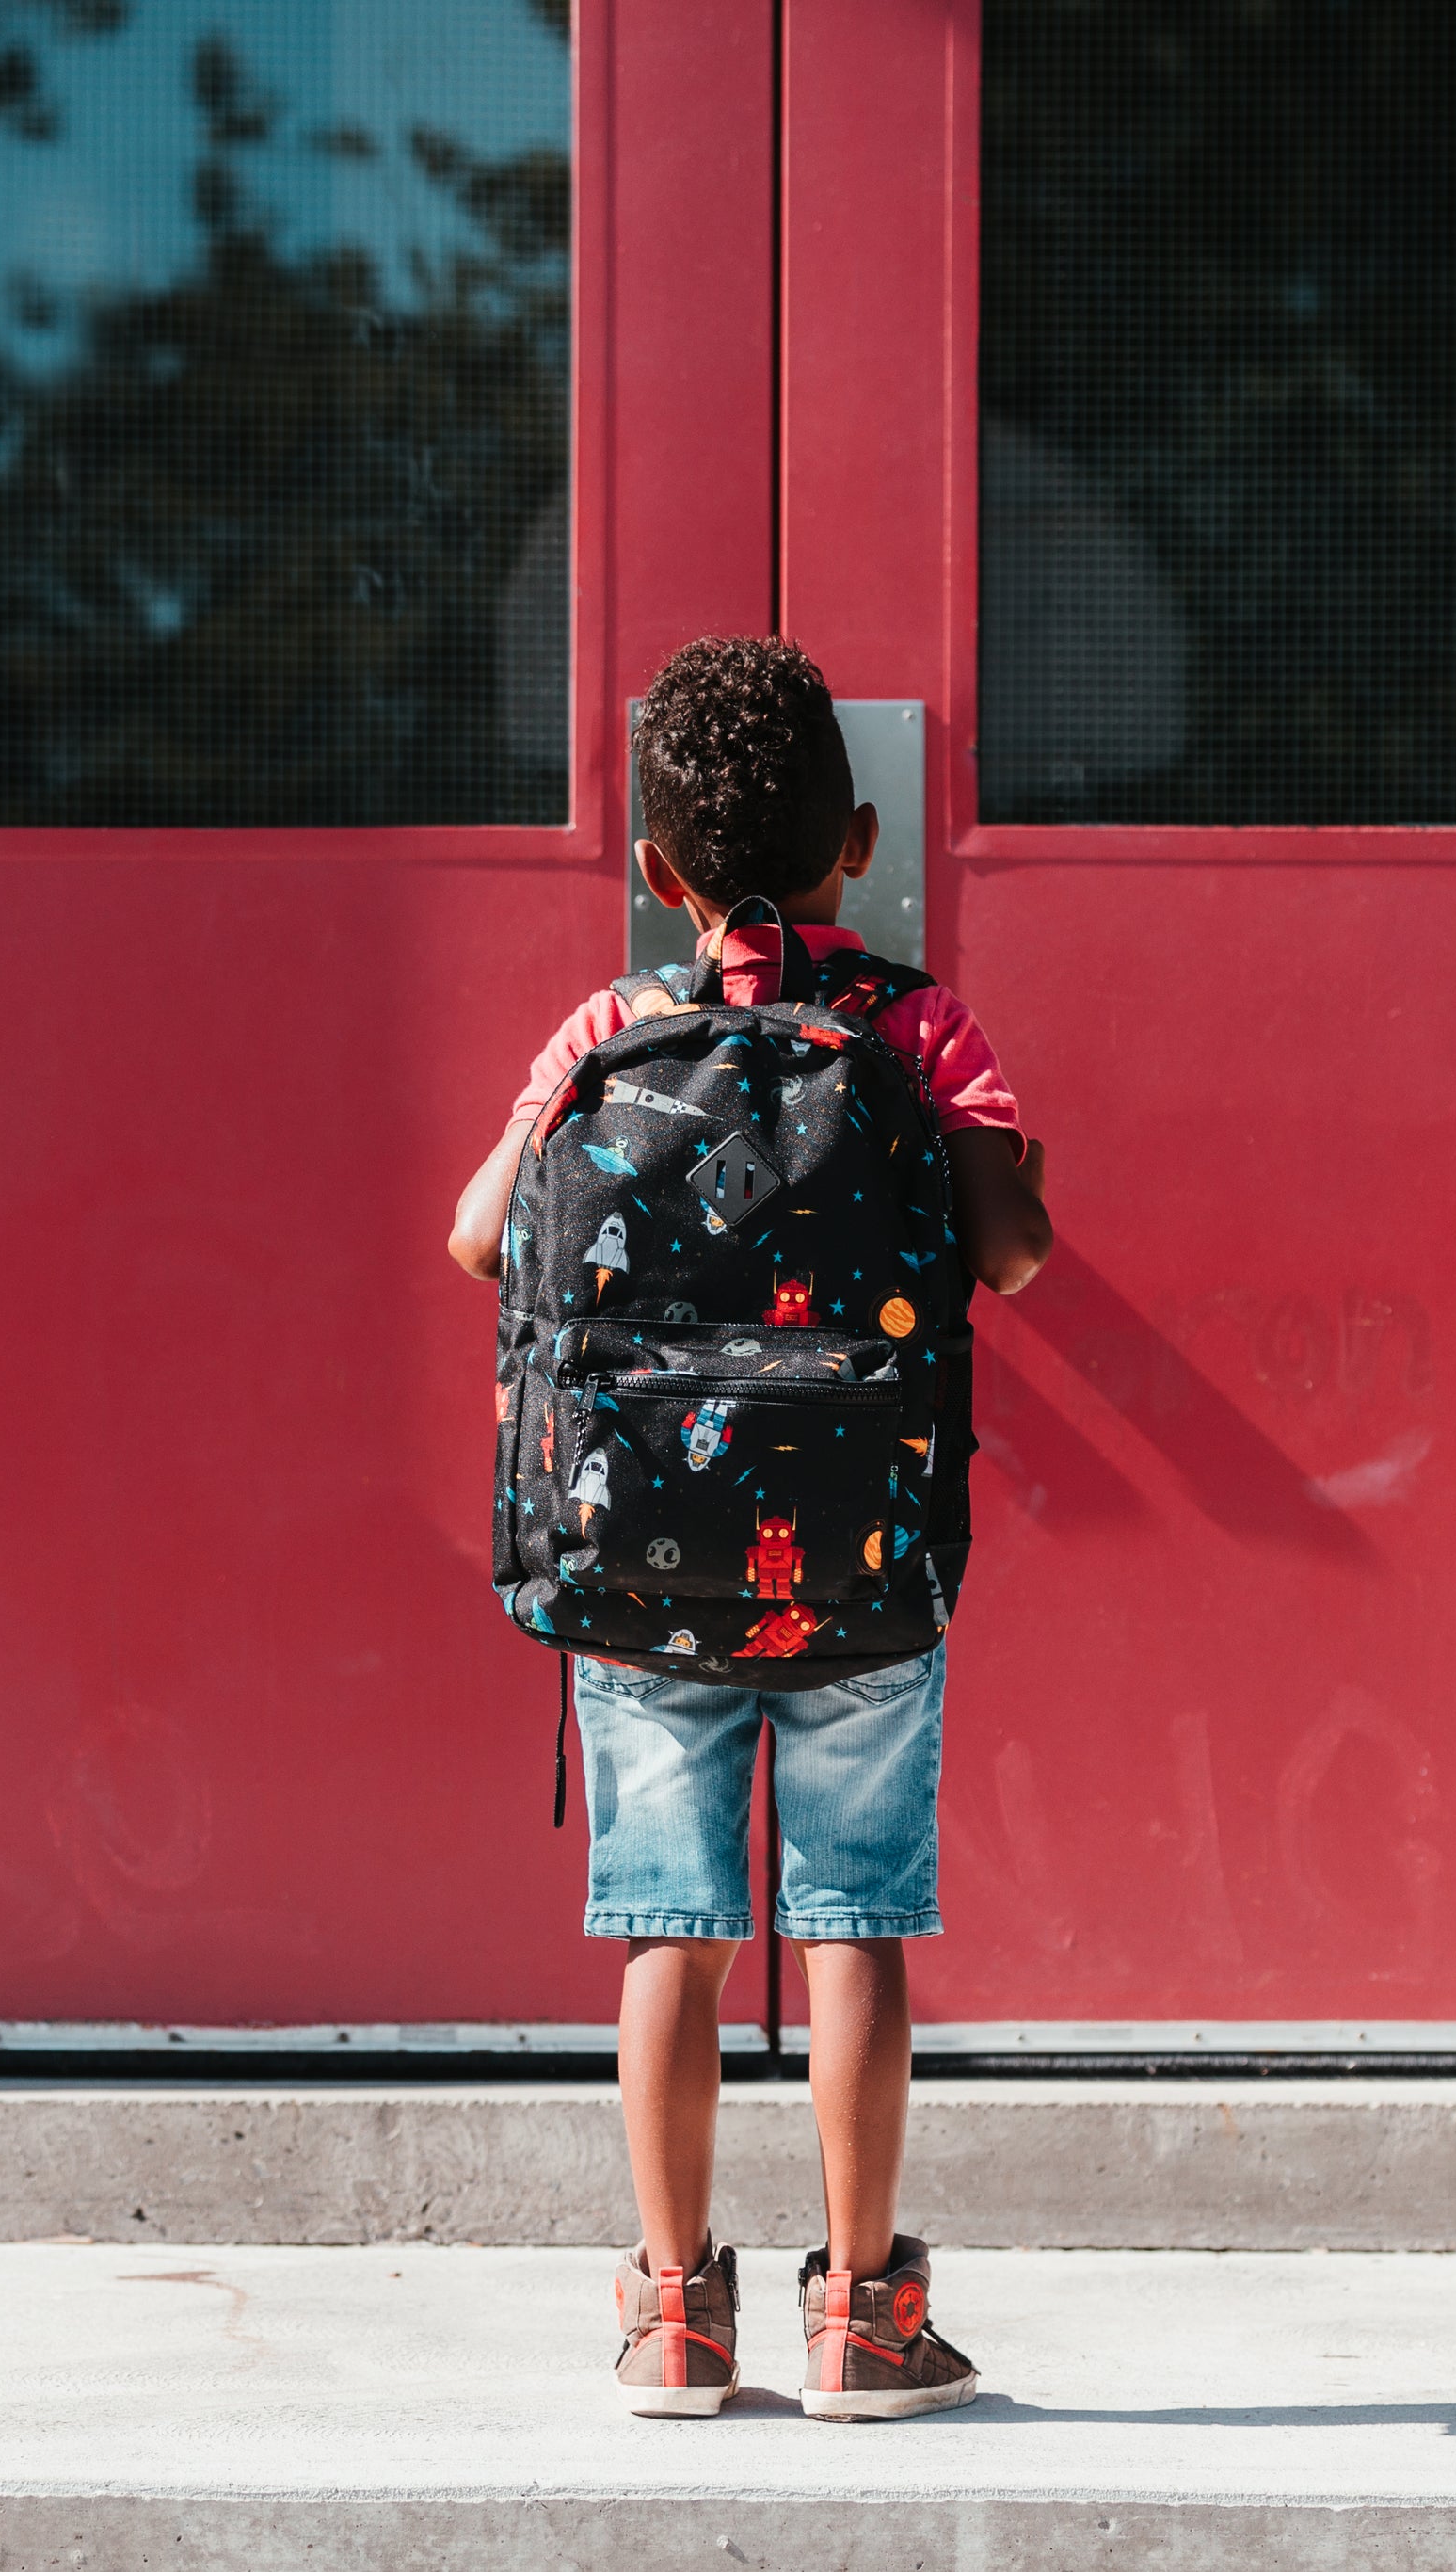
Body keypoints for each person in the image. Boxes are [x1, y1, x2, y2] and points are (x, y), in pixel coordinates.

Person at [447, 635, 1052, 2419]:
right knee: (855, 1922)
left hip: (642, 1568)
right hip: (862, 1562)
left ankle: (671, 2315)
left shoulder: (608, 1035)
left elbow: (484, 1237)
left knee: (670, 1933)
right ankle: (866, 2316)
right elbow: (1012, 1251)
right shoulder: (913, 1025)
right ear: (854, 844)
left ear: (656, 874)